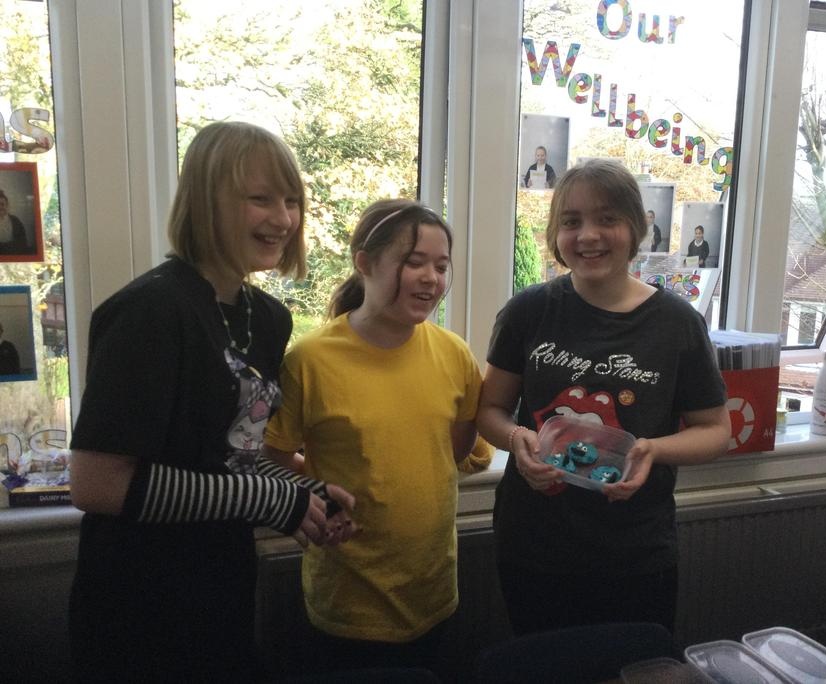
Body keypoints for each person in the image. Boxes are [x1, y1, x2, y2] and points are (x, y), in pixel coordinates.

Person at [67, 121, 356, 684]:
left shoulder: (267, 318)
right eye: (260, 199)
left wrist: (306, 495)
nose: (283, 219)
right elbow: (96, 483)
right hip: (136, 606)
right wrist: (268, 496)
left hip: (222, 586)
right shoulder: (150, 311)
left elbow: (230, 458)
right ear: (205, 200)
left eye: (292, 200)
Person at [477, 159, 730, 637]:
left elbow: (716, 432)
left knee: (631, 666)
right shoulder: (528, 310)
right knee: (543, 666)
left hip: (636, 552)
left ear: (635, 228)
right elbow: (489, 410)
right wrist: (516, 439)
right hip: (534, 547)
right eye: (571, 221)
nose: (588, 235)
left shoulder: (677, 323)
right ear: (556, 234)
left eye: (607, 219)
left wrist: (652, 449)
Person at [263, 199, 483, 678]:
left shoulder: (454, 354)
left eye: (441, 266)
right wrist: (317, 495)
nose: (431, 278)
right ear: (364, 263)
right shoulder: (310, 360)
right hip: (347, 604)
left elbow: (457, 449)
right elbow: (274, 453)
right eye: (415, 262)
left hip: (434, 593)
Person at [0, 188, 28, 255]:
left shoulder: (15, 221)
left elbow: (23, 242)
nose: (0, 207)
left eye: (2, 204)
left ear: (7, 205)